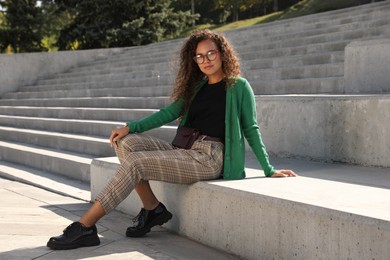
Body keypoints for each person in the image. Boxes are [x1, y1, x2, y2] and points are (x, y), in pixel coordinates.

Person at [47, 29, 297, 250]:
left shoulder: (239, 87)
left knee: (136, 163)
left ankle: (86, 226)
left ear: (222, 53)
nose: (205, 60)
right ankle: (152, 208)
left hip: (209, 157)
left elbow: (251, 128)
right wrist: (130, 127)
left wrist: (269, 169)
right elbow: (167, 114)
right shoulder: (197, 87)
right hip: (184, 149)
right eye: (199, 56)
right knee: (126, 143)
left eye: (210, 54)